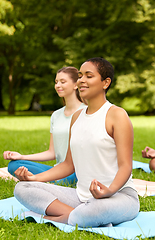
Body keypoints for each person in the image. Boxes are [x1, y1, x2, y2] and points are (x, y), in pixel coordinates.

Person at [13, 57, 139, 227]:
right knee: (22, 188)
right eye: (80, 76)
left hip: (119, 196)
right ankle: (76, 216)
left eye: (89, 76)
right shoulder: (76, 118)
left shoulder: (117, 115)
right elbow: (68, 165)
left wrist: (108, 191)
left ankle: (68, 217)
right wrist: (34, 178)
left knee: (94, 210)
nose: (81, 81)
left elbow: (126, 166)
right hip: (82, 197)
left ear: (105, 83)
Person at [3, 67, 86, 184]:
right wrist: (21, 156)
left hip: (79, 172)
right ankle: (48, 180)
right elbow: (52, 153)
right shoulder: (56, 116)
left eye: (63, 82)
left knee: (66, 179)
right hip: (59, 170)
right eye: (56, 82)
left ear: (75, 85)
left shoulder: (87, 112)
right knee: (15, 165)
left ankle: (42, 180)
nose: (58, 85)